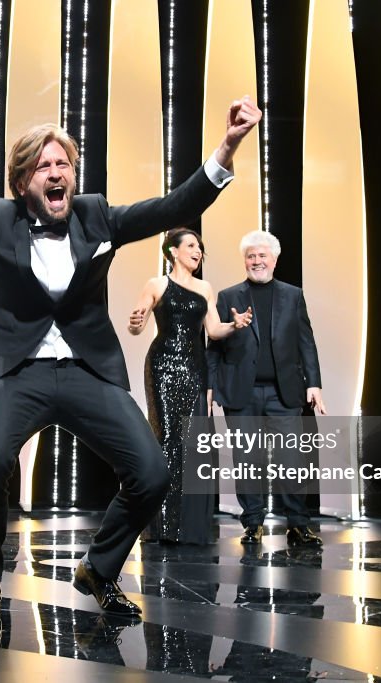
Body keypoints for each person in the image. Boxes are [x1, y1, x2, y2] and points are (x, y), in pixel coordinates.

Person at [0, 95, 261, 622]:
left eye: (64, 164)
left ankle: (98, 570)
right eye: (43, 166)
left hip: (86, 368)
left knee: (152, 472)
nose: (56, 173)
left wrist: (230, 144)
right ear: (22, 181)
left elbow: (173, 206)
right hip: (17, 369)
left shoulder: (96, 216)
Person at [127, 228, 252, 544]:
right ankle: (163, 526)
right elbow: (138, 324)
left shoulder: (205, 287)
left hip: (194, 368)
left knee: (195, 444)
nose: (198, 251)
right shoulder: (157, 284)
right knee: (168, 438)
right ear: (172, 251)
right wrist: (136, 322)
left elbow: (213, 329)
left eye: (200, 247)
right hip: (163, 367)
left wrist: (234, 325)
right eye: (192, 246)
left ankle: (190, 528)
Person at [206, 230, 327, 547]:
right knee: (246, 460)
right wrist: (211, 386)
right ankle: (252, 524)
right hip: (240, 395)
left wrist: (313, 383)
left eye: (262, 255)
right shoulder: (228, 296)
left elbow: (306, 343)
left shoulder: (293, 295)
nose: (256, 261)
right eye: (250, 256)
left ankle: (298, 525)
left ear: (274, 259)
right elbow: (214, 346)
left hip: (283, 392)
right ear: (244, 260)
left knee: (292, 460)